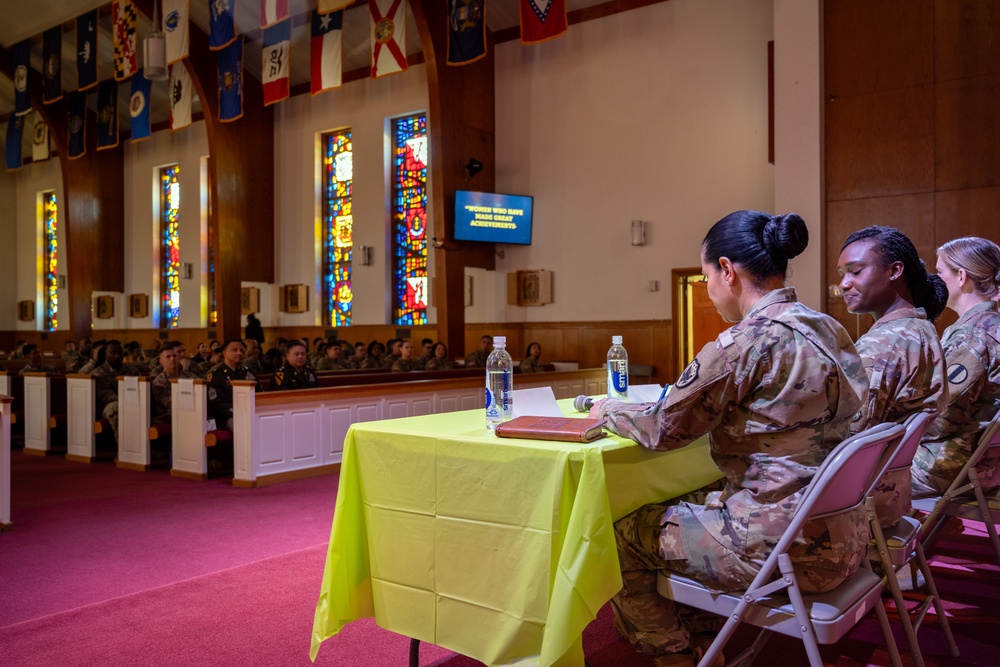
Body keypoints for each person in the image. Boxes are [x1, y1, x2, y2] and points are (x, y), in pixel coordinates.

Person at [591, 211, 869, 667]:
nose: (709, 289)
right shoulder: (828, 328)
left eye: (706, 277)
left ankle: (678, 656)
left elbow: (662, 428)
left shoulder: (744, 344)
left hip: (783, 548)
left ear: (727, 269)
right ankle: (703, 629)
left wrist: (607, 410)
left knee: (620, 534)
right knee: (699, 495)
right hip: (846, 535)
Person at [837, 225, 948, 527]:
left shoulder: (884, 344)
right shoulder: (921, 328)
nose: (844, 284)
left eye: (855, 271)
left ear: (895, 271)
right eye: (841, 275)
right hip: (893, 495)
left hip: (857, 503)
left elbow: (847, 436)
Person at [911, 237, 1000, 496]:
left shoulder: (973, 335)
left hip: (947, 465)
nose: (935, 280)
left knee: (848, 479)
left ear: (961, 277)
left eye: (940, 272)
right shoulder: (990, 325)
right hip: (982, 463)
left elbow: (941, 417)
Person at [91, 340, 141, 441]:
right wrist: (128, 402)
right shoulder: (98, 373)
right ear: (106, 354)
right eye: (113, 353)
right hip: (107, 407)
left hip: (131, 402)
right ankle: (123, 448)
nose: (117, 356)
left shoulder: (132, 370)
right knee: (117, 408)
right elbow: (106, 395)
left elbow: (141, 388)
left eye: (119, 353)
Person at [207, 340, 259, 430]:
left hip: (251, 412)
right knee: (242, 424)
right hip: (227, 417)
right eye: (234, 350)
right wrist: (240, 411)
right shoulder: (216, 375)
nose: (239, 353)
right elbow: (217, 403)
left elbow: (259, 393)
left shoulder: (249, 372)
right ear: (225, 353)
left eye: (242, 351)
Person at [150, 343, 197, 424]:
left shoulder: (187, 375)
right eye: (168, 357)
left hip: (191, 410)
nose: (172, 359)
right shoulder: (160, 381)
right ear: (161, 361)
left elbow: (201, 388)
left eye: (174, 356)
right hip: (169, 417)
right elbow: (172, 403)